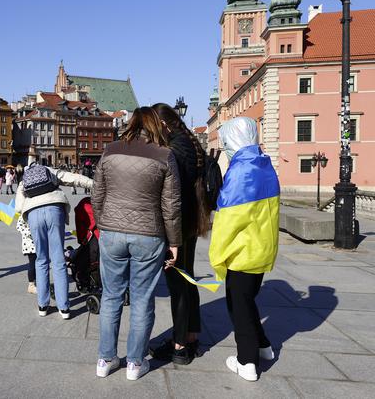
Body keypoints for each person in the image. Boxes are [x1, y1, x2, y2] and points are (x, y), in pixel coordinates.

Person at [91, 107, 181, 381]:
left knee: (111, 296)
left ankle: (105, 359)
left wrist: (103, 224)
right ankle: (135, 363)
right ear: (156, 125)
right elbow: (171, 205)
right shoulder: (165, 155)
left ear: (131, 124)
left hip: (112, 233)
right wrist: (174, 242)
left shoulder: (110, 150)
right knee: (142, 300)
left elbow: (97, 194)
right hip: (149, 235)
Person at [209, 117, 279, 382]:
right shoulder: (264, 164)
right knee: (247, 300)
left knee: (238, 305)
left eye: (226, 141)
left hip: (242, 253)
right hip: (262, 249)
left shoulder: (240, 171)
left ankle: (246, 361)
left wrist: (217, 257)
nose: (225, 146)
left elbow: (228, 221)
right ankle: (263, 347)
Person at [150, 104, 211, 365]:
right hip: (191, 221)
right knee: (187, 279)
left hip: (179, 224)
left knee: (179, 284)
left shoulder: (175, 148)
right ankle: (191, 336)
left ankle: (179, 346)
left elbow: (171, 191)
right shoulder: (190, 142)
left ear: (163, 124)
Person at [15, 163, 93, 320]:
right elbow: (73, 178)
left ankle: (43, 306)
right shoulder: (49, 171)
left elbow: (18, 207)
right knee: (58, 260)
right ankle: (64, 308)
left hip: (33, 214)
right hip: (54, 209)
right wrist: (95, 184)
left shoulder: (25, 180)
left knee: (41, 259)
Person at [16, 216, 37, 294]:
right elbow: (19, 226)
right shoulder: (24, 214)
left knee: (38, 264)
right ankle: (31, 285)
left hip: (38, 244)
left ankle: (36, 282)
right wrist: (33, 233)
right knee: (32, 264)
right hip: (30, 245)